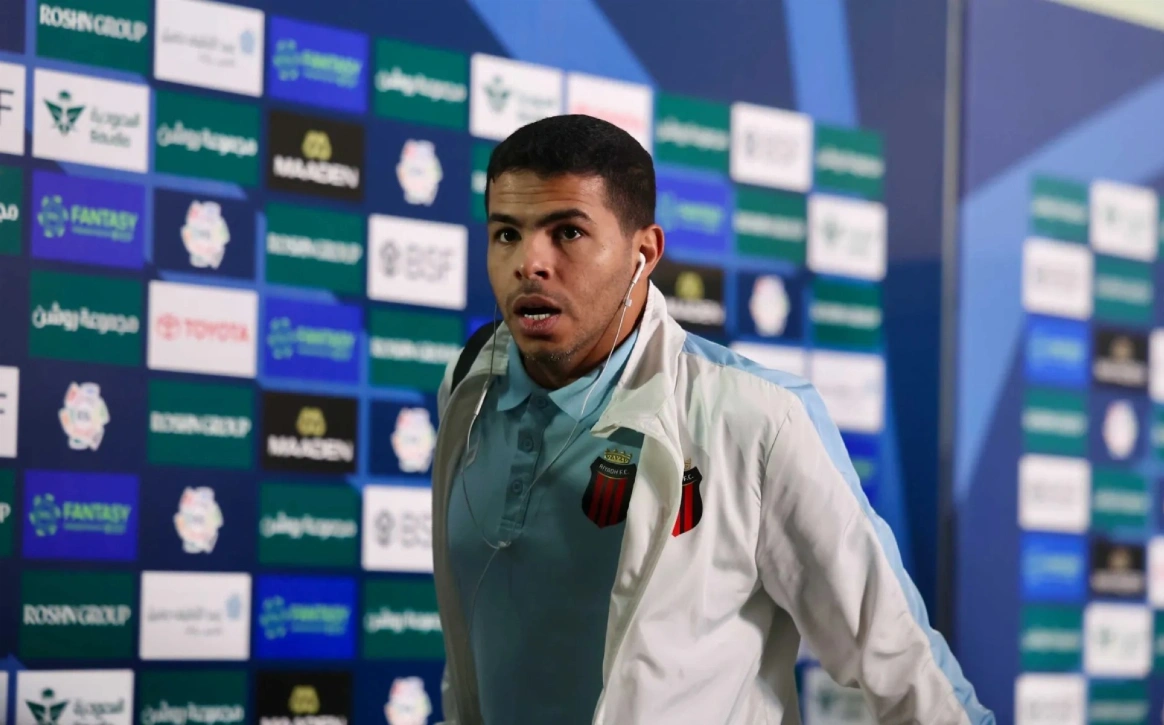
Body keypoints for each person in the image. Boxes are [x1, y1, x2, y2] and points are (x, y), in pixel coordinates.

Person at [431, 114, 994, 725]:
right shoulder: (468, 385)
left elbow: (907, 667)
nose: (529, 262)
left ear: (644, 253)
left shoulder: (755, 417)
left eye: (567, 232)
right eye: (507, 234)